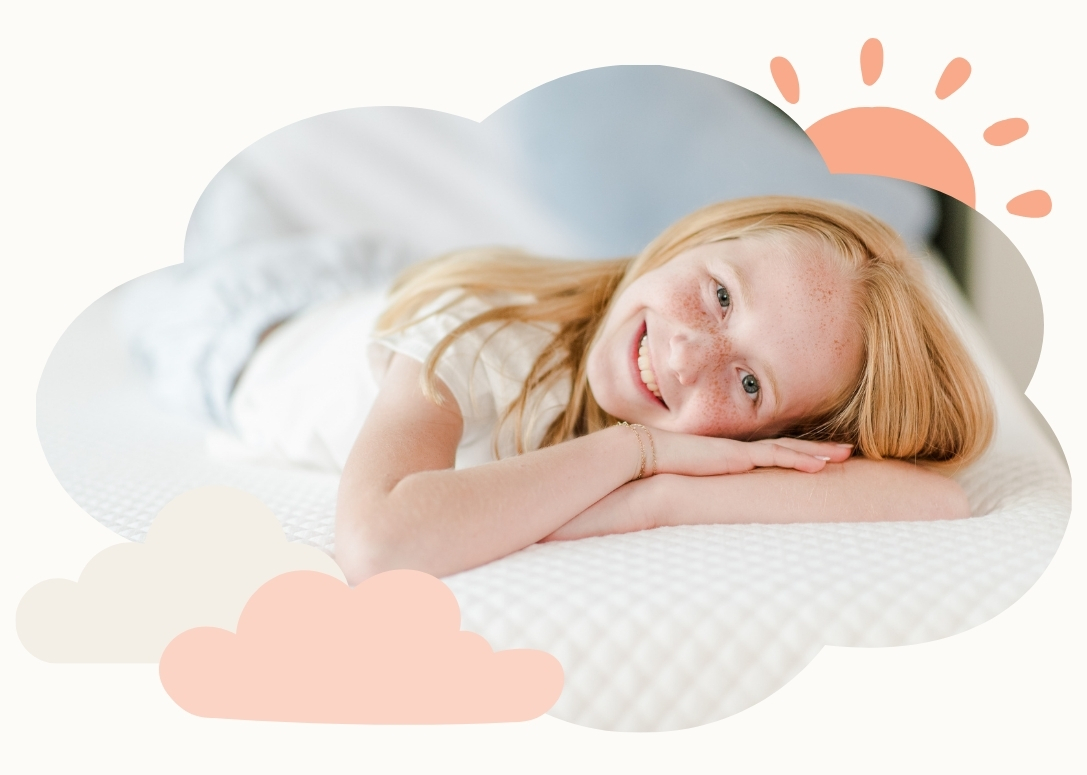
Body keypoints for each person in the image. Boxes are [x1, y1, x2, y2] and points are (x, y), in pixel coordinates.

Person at [326, 196, 993, 584]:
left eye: (751, 382)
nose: (686, 354)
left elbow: (935, 497)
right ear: (698, 238)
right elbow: (378, 543)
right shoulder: (476, 331)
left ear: (772, 439)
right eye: (722, 294)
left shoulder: (688, 407)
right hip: (258, 316)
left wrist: (662, 497)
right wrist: (635, 452)